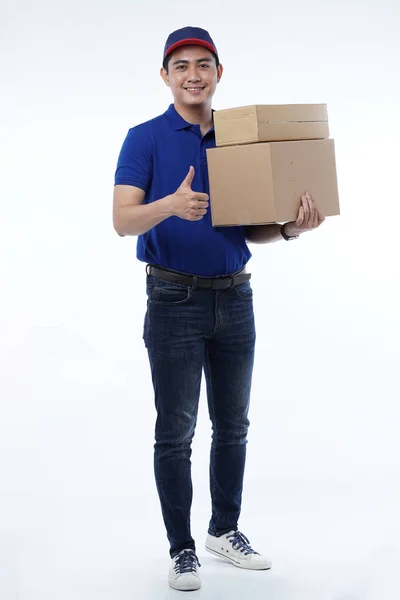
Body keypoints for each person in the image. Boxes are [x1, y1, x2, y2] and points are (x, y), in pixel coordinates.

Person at [113, 26, 325, 592]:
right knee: (176, 430)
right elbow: (122, 220)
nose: (193, 74)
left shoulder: (238, 137)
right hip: (173, 299)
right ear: (165, 76)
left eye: (203, 64)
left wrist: (289, 227)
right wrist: (171, 205)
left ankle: (223, 531)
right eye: (180, 65)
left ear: (218, 73)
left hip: (235, 295)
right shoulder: (144, 138)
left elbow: (251, 226)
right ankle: (182, 549)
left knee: (233, 426)